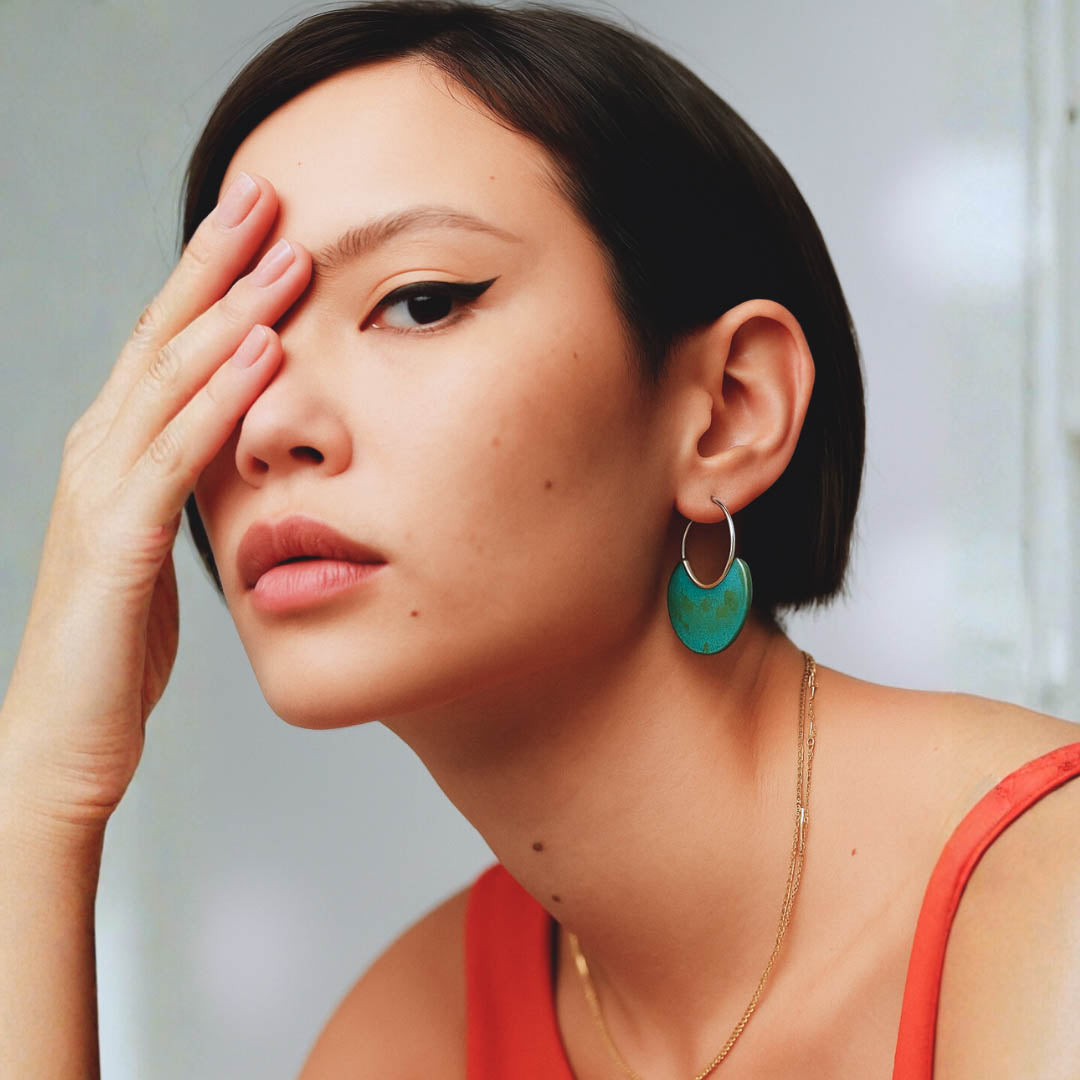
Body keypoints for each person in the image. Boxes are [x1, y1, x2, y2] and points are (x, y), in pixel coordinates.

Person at [2, 1, 1077, 1077]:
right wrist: (40, 802)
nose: (265, 428)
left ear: (728, 410)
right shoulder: (413, 1037)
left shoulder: (1050, 897)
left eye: (420, 301)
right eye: (229, 347)